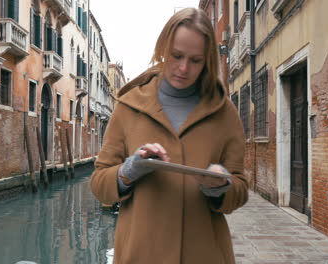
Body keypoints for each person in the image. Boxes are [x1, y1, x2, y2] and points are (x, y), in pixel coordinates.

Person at [90, 7, 249, 264]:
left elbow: (240, 190)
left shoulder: (225, 112)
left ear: (207, 60)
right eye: (176, 55)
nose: (183, 68)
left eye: (195, 60)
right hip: (140, 255)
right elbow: (99, 185)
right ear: (163, 48)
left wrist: (221, 186)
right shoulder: (128, 105)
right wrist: (129, 170)